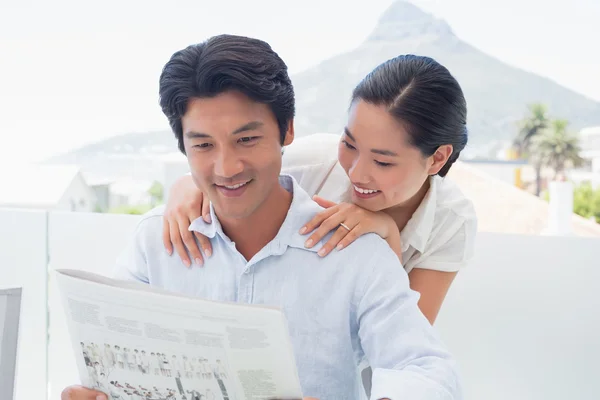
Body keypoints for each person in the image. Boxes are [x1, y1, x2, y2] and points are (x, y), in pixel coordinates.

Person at [60, 34, 461, 400]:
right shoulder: (155, 242)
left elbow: (427, 371)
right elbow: (104, 360)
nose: (226, 166)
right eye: (202, 144)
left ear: (287, 131)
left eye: (246, 139)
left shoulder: (358, 255)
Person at [162, 52, 477, 326]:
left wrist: (386, 240)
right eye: (349, 144)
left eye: (382, 162)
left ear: (437, 158)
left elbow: (405, 342)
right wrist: (184, 186)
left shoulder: (450, 221)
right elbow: (229, 168)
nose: (356, 172)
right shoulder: (308, 166)